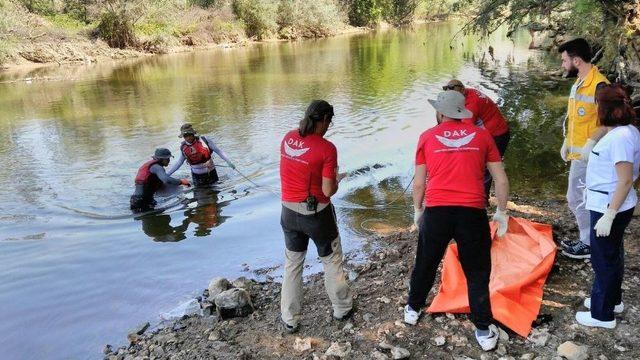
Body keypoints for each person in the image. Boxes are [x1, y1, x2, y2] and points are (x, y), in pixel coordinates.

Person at [404, 91, 510, 352]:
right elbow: (501, 179)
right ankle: (484, 330)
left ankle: (413, 308)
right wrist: (502, 212)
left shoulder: (427, 137)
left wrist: (418, 210)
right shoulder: (483, 135)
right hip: (471, 213)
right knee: (477, 271)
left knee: (426, 263)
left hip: (437, 212)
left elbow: (419, 182)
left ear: (440, 112)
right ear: (462, 112)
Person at [279, 100, 352, 333]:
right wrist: (338, 179)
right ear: (323, 120)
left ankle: (290, 318)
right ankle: (342, 308)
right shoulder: (327, 149)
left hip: (288, 212)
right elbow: (328, 191)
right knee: (331, 260)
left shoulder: (288, 138)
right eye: (329, 121)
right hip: (317, 215)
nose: (329, 126)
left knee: (293, 264)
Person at [576, 84, 640, 329]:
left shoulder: (621, 138)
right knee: (612, 253)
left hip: (608, 205)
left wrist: (609, 214)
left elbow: (624, 179)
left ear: (603, 109)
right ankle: (612, 300)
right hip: (610, 202)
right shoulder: (627, 130)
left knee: (603, 258)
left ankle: (602, 315)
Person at [558, 38, 610, 259]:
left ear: (576, 60)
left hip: (592, 156)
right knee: (580, 197)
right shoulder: (579, 82)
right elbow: (576, 120)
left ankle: (588, 244)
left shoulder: (600, 86)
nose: (562, 65)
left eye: (564, 60)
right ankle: (587, 240)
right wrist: (567, 142)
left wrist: (590, 144)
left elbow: (608, 123)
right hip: (578, 154)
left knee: (576, 197)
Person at [443, 79, 510, 198]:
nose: (453, 100)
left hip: (497, 135)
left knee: (487, 167)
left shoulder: (471, 104)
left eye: (455, 97)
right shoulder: (467, 93)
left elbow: (466, 130)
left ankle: (482, 199)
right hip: (492, 132)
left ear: (462, 90)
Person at [167, 124, 236, 186]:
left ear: (193, 134)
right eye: (185, 136)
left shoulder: (204, 140)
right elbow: (179, 163)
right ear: (183, 137)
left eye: (190, 135)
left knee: (214, 193)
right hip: (197, 176)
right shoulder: (183, 147)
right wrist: (167, 175)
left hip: (211, 173)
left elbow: (218, 151)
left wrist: (229, 162)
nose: (188, 138)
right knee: (201, 196)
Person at [130, 148, 190, 212]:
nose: (169, 161)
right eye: (167, 159)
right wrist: (181, 181)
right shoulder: (157, 167)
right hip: (141, 201)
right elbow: (166, 179)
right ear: (161, 159)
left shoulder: (152, 167)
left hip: (137, 200)